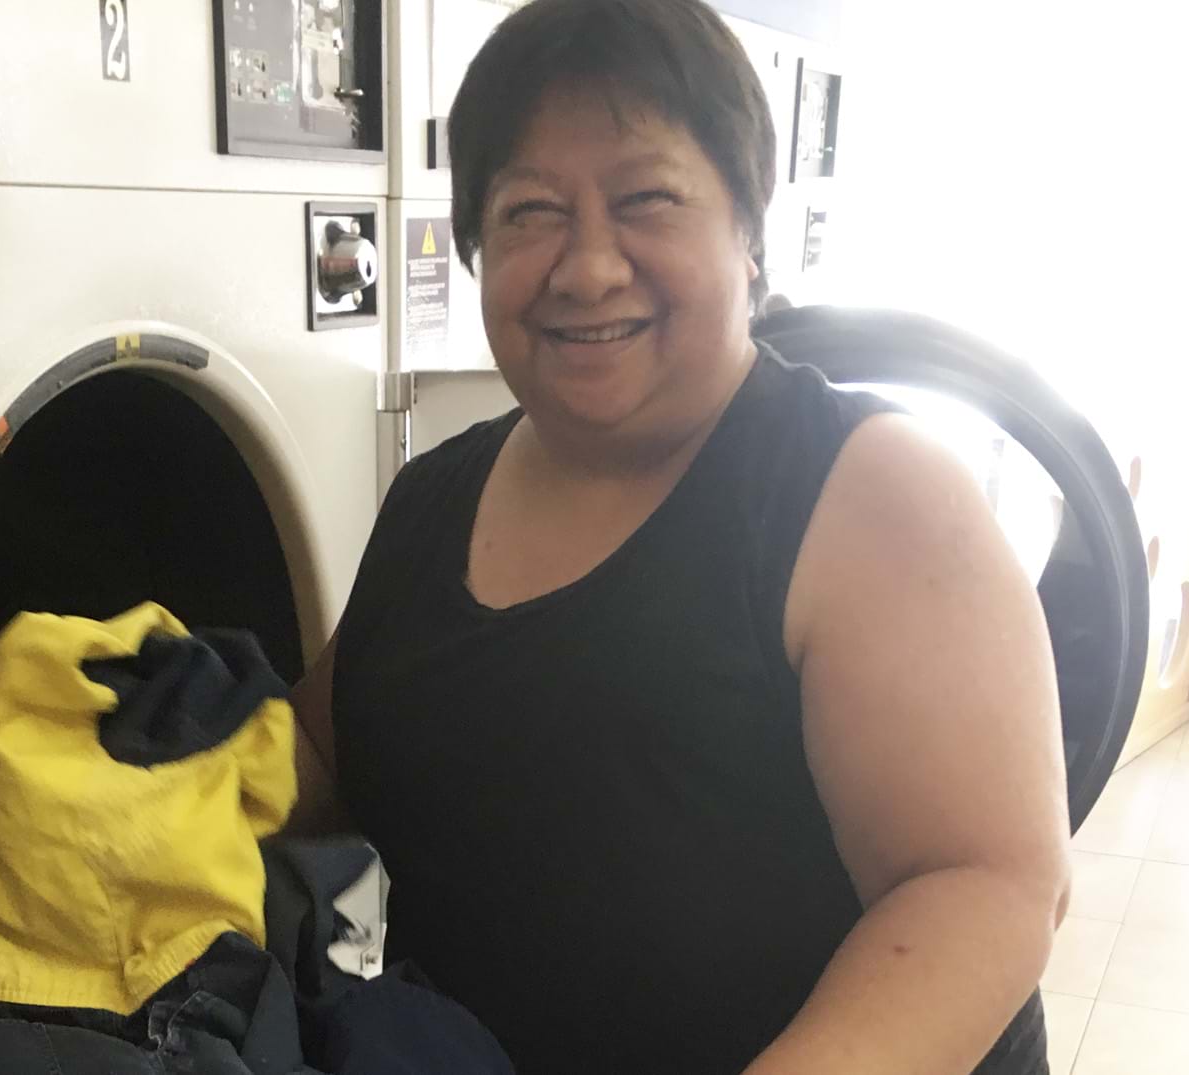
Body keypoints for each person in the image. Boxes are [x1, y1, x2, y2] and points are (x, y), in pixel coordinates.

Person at [289, 1, 1071, 1071]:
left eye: (645, 199)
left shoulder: (869, 493)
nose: (587, 268)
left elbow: (984, 888)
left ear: (746, 230)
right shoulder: (429, 500)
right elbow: (318, 762)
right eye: (527, 213)